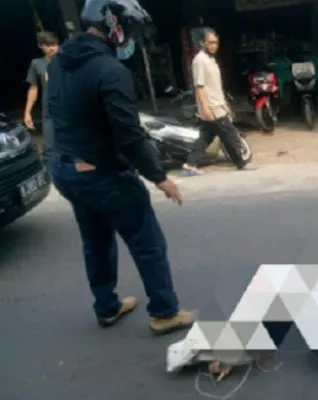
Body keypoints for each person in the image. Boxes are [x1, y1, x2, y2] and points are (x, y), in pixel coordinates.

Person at [46, 0, 194, 335]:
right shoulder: (111, 71)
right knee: (147, 242)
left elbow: (58, 113)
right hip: (103, 173)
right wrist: (159, 177)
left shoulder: (60, 62)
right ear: (116, 25)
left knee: (95, 240)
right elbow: (129, 137)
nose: (132, 40)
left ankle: (107, 307)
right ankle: (164, 312)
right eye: (132, 31)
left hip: (65, 169)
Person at [181, 27, 252, 176]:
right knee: (230, 134)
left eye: (216, 43)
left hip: (218, 104)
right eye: (211, 42)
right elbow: (199, 87)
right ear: (202, 43)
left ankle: (189, 165)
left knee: (206, 137)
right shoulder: (199, 61)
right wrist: (206, 109)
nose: (214, 45)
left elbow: (215, 86)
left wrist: (225, 103)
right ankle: (241, 163)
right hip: (212, 107)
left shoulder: (211, 59)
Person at [24, 31, 60, 172]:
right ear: (41, 46)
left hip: (69, 110)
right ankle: (52, 177)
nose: (52, 48)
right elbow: (33, 89)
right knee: (49, 148)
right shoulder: (37, 64)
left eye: (55, 45)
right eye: (49, 45)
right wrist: (27, 112)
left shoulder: (67, 61)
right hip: (49, 112)